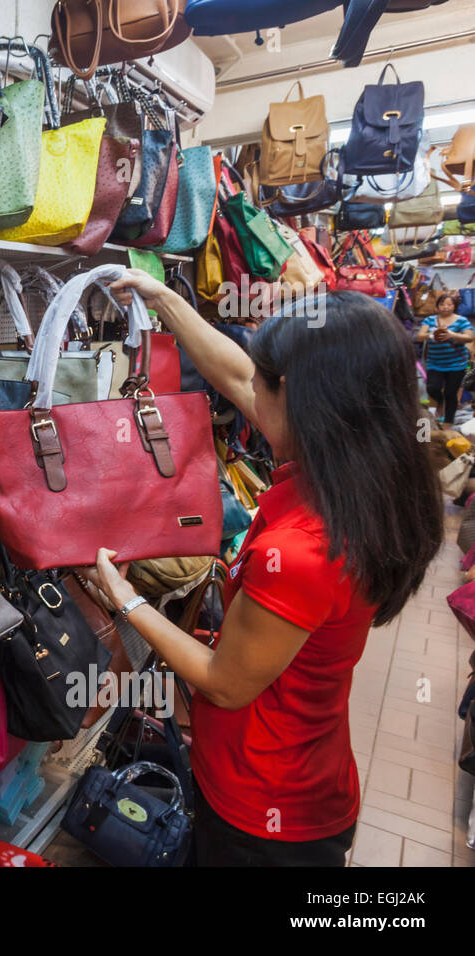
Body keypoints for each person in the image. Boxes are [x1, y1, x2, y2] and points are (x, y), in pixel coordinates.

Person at [79, 274, 443, 866]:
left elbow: (225, 680)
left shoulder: (304, 551)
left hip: (264, 811)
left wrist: (126, 601)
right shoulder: (362, 472)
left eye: (265, 381)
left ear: (302, 400)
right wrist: (167, 299)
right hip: (304, 776)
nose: (251, 388)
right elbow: (234, 375)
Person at [416, 292, 473, 425]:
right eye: (442, 304)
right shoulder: (430, 320)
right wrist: (432, 335)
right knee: (432, 388)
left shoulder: (461, 320)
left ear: (454, 306)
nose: (445, 307)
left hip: (456, 364)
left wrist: (451, 334)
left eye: (449, 304)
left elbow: (469, 337)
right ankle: (440, 401)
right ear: (437, 306)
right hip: (435, 363)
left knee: (451, 393)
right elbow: (419, 336)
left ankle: (448, 421)